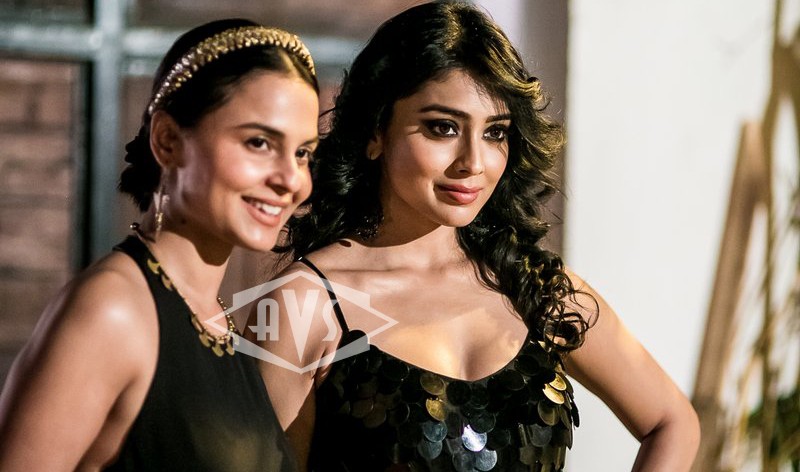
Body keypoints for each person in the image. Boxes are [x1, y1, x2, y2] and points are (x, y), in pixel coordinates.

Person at [251, 2, 700, 471]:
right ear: (375, 131)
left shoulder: (538, 287)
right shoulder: (303, 303)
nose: (473, 163)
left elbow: (672, 422)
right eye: (443, 128)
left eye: (495, 133)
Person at [0, 18, 319, 471]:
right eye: (259, 142)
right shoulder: (113, 310)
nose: (290, 179)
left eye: (302, 153)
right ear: (167, 141)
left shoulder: (216, 319)